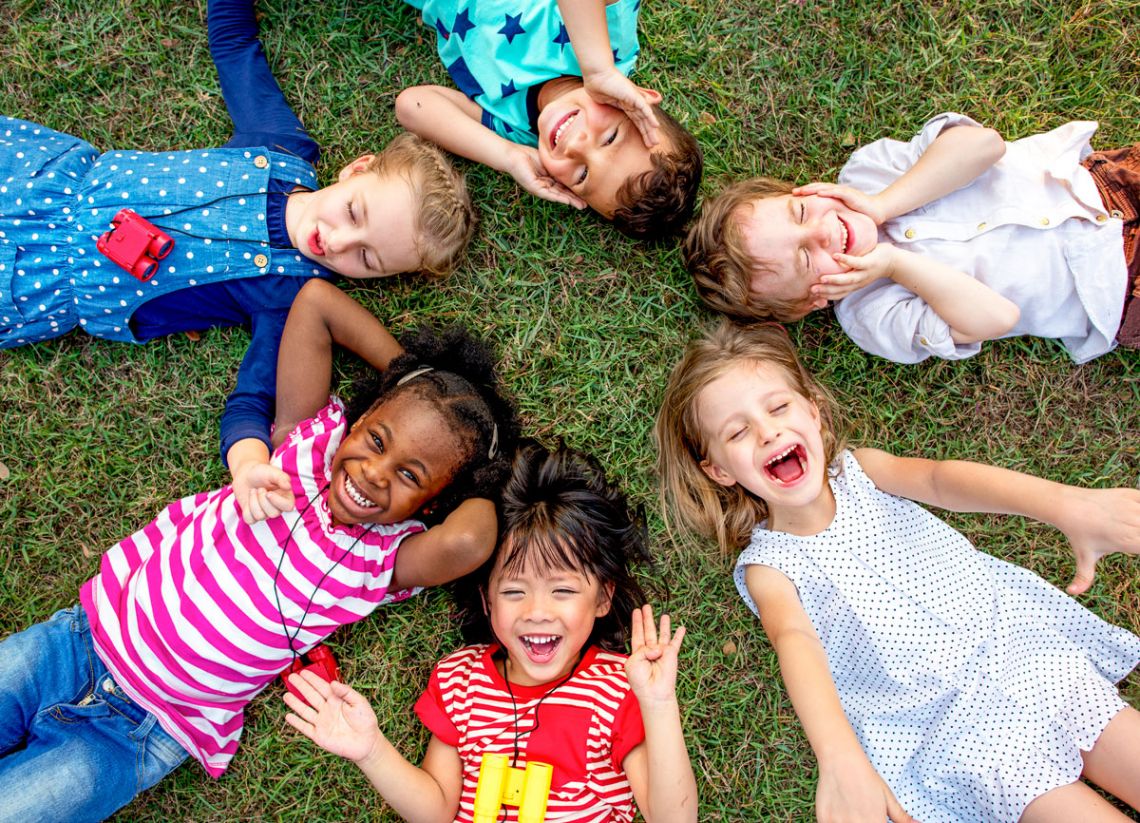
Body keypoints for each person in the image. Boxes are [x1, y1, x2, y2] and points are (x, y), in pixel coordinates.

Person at [0, 279, 519, 821]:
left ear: (433, 505)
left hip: (144, 730)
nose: (373, 472)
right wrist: (418, 383)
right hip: (73, 644)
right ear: (360, 421)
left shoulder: (384, 563)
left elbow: (471, 538)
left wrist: (486, 468)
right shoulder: (301, 447)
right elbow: (316, 303)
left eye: (411, 475)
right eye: (377, 440)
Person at [655, 321, 1140, 822]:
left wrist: (1067, 505)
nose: (767, 430)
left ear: (814, 414)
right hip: (957, 731)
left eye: (778, 407)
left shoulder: (861, 472)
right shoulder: (770, 567)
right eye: (737, 431)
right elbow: (794, 641)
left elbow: (941, 478)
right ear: (718, 470)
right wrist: (839, 758)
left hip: (1020, 652)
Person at [0, 0, 475, 469]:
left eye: (367, 259)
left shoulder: (289, 300)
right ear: (357, 169)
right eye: (353, 213)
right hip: (39, 183)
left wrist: (249, 464)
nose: (338, 242)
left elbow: (252, 398)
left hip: (39, 280)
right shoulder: (279, 144)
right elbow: (235, 47)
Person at [284, 443, 698, 822]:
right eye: (515, 591)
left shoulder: (620, 688)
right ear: (487, 600)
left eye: (563, 590)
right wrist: (372, 750)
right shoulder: (459, 681)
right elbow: (435, 810)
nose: (538, 612)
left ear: (603, 598)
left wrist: (658, 704)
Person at [684, 113, 1140, 363]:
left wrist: (884, 205)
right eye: (806, 258)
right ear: (811, 301)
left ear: (802, 189)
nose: (822, 229)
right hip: (1114, 290)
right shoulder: (872, 316)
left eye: (800, 211)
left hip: (1103, 184)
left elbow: (985, 145)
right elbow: (998, 317)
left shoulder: (869, 172)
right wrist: (895, 264)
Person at [395, 0, 702, 241]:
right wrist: (598, 69)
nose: (577, 147)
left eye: (582, 175)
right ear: (638, 98)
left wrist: (509, 157)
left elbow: (412, 106)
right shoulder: (610, 48)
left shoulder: (515, 129)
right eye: (610, 138)